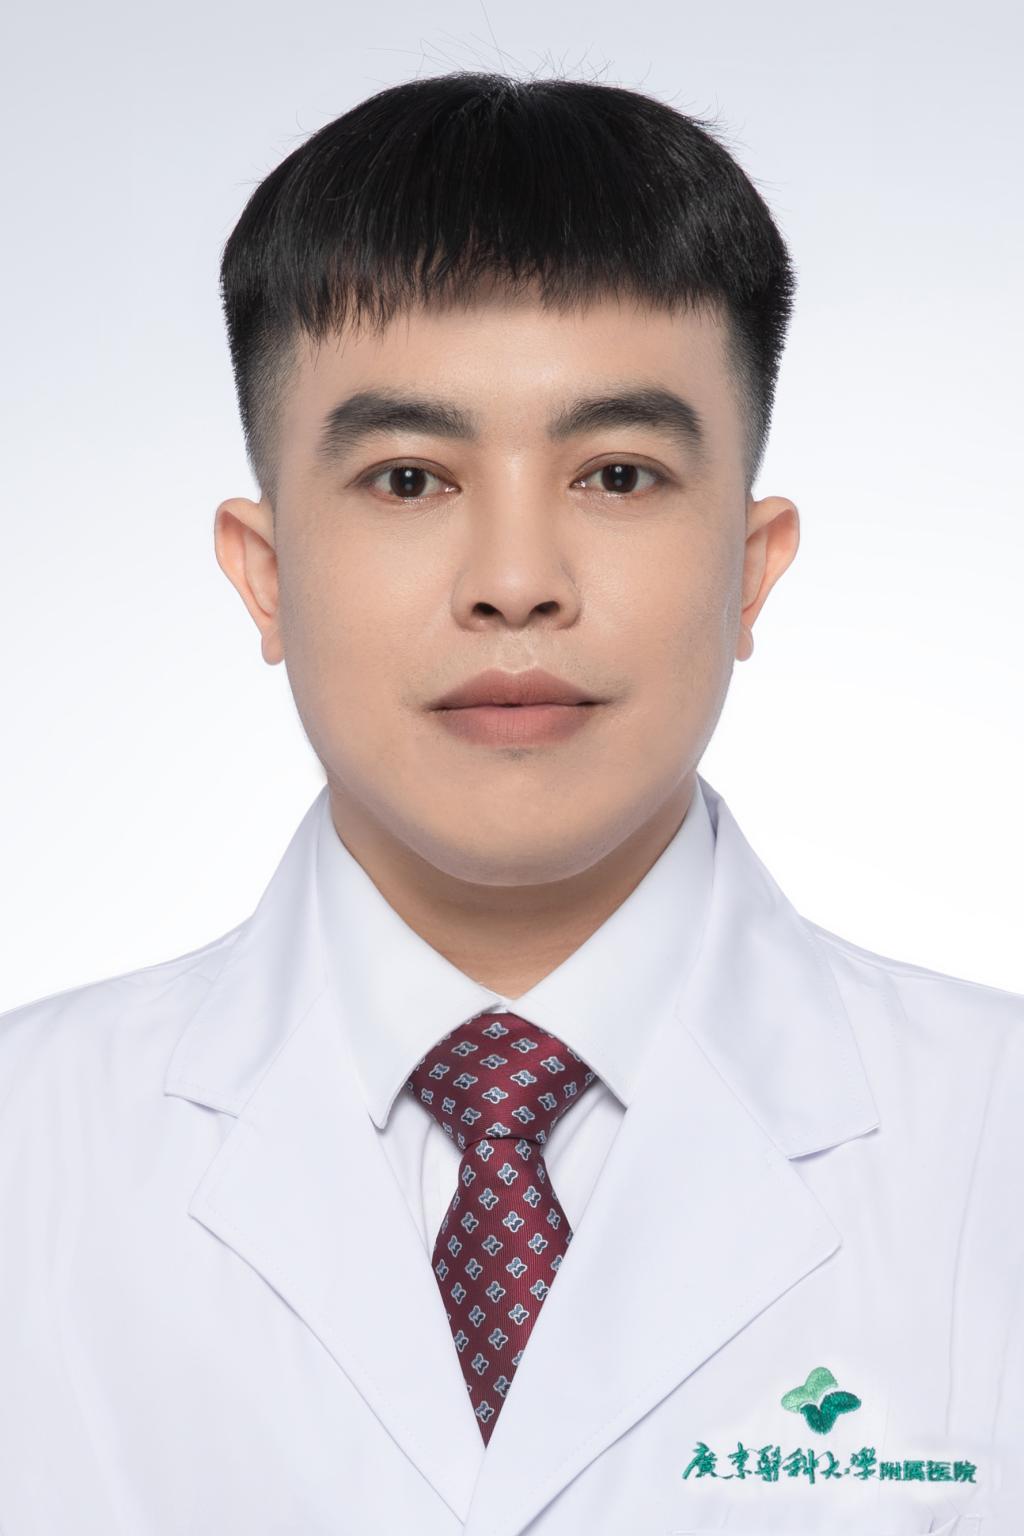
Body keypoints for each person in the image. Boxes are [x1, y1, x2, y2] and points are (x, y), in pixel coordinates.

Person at [0, 70, 1020, 1536]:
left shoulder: (995, 1137)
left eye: (619, 473)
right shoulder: (27, 1150)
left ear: (752, 569)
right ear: (265, 576)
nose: (517, 580)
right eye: (410, 479)